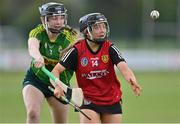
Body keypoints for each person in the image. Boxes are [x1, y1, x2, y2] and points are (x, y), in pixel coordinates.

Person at [51, 13, 142, 123]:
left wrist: (132, 81)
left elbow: (124, 68)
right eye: (96, 27)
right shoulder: (77, 51)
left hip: (111, 99)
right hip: (87, 100)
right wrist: (57, 86)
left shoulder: (110, 48)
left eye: (103, 26)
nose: (102, 30)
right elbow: (56, 70)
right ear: (86, 31)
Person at [22, 2, 78, 123]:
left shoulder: (69, 39)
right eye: (54, 18)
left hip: (60, 83)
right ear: (44, 20)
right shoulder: (37, 32)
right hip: (37, 79)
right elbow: (32, 46)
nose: (58, 22)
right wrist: (38, 57)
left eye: (61, 18)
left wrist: (58, 85)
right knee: (32, 114)